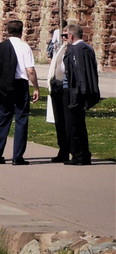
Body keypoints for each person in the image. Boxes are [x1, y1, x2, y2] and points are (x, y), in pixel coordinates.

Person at [0, 18, 39, 165]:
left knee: (1, 121)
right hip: (20, 85)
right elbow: (30, 70)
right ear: (22, 31)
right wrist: (36, 87)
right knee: (21, 120)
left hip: (3, 87)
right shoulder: (24, 47)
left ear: (7, 31)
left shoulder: (0, 47)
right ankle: (17, 156)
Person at [63, 23, 100, 166]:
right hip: (82, 91)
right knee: (79, 124)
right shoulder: (88, 48)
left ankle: (79, 156)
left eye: (67, 35)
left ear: (71, 35)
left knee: (74, 125)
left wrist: (79, 91)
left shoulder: (76, 49)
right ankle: (83, 154)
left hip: (75, 91)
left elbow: (78, 72)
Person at [47, 28, 70, 163]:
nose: (64, 37)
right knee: (59, 122)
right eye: (63, 35)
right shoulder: (62, 47)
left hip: (65, 88)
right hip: (56, 87)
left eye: (66, 35)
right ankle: (63, 150)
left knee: (67, 122)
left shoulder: (74, 49)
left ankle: (70, 149)